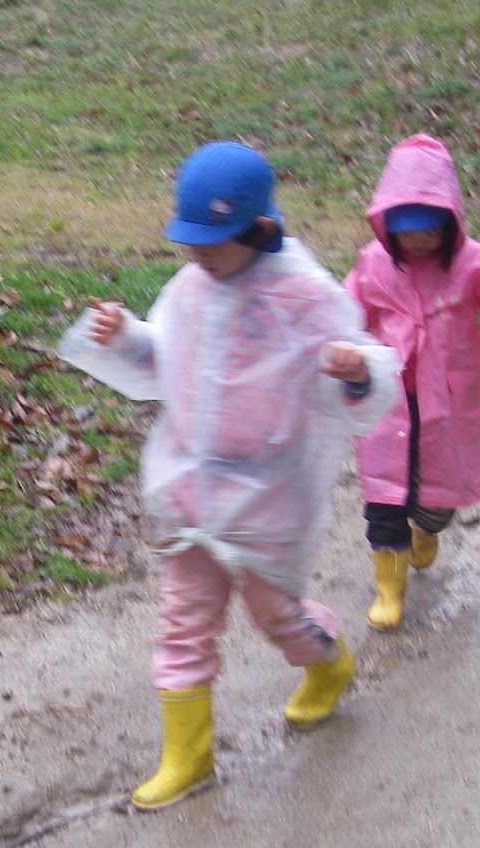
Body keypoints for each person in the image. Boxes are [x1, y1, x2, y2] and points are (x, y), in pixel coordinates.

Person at [79, 141, 399, 811]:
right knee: (183, 620)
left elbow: (359, 374)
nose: (196, 255)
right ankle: (188, 757)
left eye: (211, 242)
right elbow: (166, 356)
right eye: (188, 241)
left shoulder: (301, 294)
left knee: (274, 612)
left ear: (259, 229)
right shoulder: (192, 287)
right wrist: (125, 336)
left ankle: (327, 660)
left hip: (265, 496)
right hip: (192, 490)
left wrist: (356, 371)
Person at [344, 133, 480, 630]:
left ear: (449, 222)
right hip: (388, 400)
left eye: (429, 230)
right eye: (406, 230)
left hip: (447, 401)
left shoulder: (470, 261)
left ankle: (428, 529)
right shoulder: (373, 263)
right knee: (384, 498)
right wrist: (337, 347)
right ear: (387, 224)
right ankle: (389, 589)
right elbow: (345, 311)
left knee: (439, 497)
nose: (418, 241)